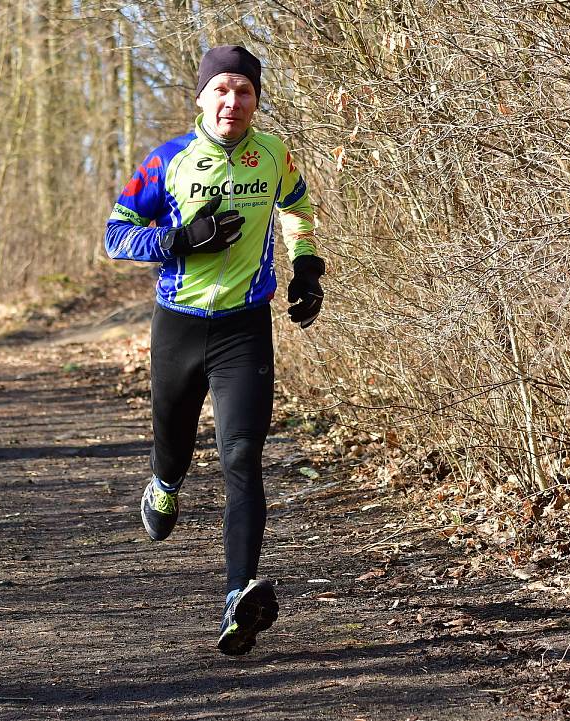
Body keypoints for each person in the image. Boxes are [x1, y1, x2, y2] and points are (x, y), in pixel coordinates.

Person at [104, 45, 325, 655]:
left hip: (244, 328)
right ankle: (163, 481)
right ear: (201, 97)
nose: (233, 102)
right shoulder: (166, 160)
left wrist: (306, 269)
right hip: (177, 326)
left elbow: (298, 208)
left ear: (257, 98)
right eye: (221, 90)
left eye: (245, 91)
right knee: (173, 445)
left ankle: (238, 597)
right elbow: (115, 235)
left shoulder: (274, 155)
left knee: (242, 456)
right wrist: (181, 238)